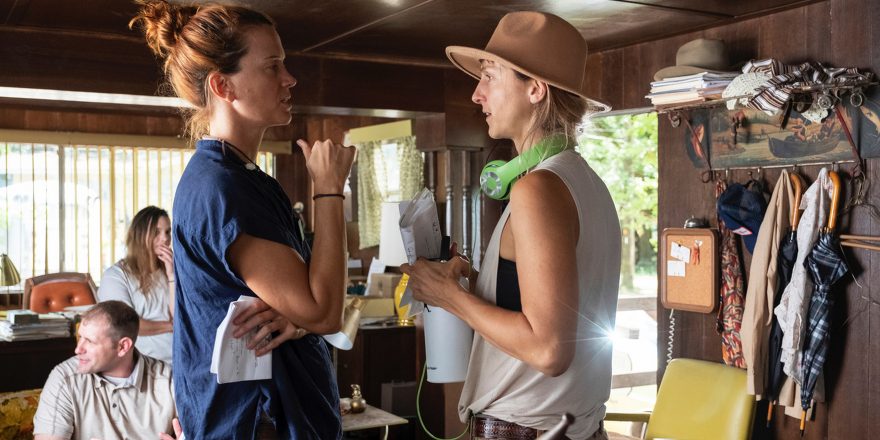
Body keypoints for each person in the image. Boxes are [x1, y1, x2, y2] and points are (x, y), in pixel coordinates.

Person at [130, 1, 355, 439]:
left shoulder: (245, 178)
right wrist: (329, 190)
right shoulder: (222, 187)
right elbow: (326, 312)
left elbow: (306, 307)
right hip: (257, 421)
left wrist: (296, 319)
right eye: (272, 67)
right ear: (223, 85)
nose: (289, 79)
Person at [401, 11, 621, 440]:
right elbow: (553, 309)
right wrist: (476, 284)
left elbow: (549, 349)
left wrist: (449, 297)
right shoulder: (586, 182)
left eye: (489, 76)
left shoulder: (537, 188)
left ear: (535, 89)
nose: (477, 94)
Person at [33, 301, 176, 440]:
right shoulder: (65, 378)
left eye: (90, 341)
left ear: (123, 346)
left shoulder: (169, 379)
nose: (78, 349)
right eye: (80, 337)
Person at [97, 205, 174, 363]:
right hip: (145, 363)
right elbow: (124, 324)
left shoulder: (171, 270)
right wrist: (170, 326)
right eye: (156, 232)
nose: (165, 238)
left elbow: (180, 316)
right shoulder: (116, 276)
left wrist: (172, 275)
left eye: (167, 232)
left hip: (180, 360)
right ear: (140, 235)